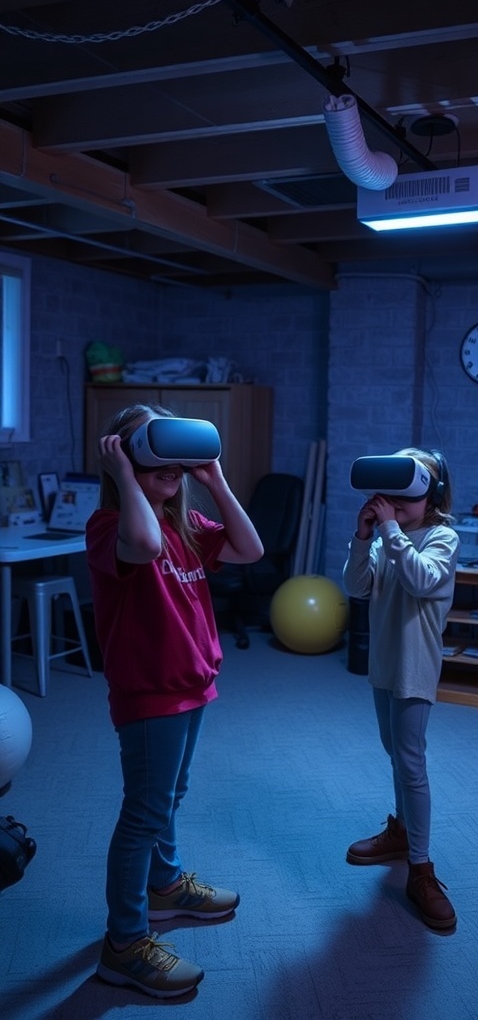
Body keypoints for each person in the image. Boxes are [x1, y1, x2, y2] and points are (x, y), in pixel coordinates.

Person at [86, 403, 264, 998]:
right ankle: (124, 943)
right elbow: (139, 542)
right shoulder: (110, 527)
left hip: (193, 684)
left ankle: (163, 887)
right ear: (125, 455)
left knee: (168, 797)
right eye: (153, 450)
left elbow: (250, 548)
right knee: (143, 812)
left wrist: (213, 478)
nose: (171, 466)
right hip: (149, 694)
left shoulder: (186, 528)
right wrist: (123, 473)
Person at [342, 447, 460, 930]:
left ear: (430, 496)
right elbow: (356, 586)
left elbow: (421, 579)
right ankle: (402, 830)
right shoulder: (384, 539)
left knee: (411, 760)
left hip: (414, 668)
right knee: (393, 751)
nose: (394, 505)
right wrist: (362, 536)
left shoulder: (442, 537)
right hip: (385, 664)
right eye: (387, 498)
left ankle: (421, 866)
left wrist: (389, 531)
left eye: (404, 499)